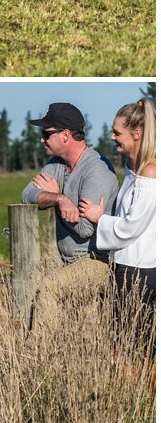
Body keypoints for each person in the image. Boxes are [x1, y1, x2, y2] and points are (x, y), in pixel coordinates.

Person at [20, 101, 119, 327]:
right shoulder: (57, 163)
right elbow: (27, 194)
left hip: (96, 262)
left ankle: (37, 358)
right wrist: (59, 199)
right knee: (86, 332)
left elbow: (85, 228)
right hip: (71, 263)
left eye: (46, 133)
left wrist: (58, 200)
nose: (42, 139)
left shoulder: (97, 170)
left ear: (65, 135)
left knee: (49, 288)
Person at [78, 97, 156, 351]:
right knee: (128, 346)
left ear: (137, 133)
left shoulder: (150, 173)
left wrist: (99, 217)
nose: (112, 137)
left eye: (117, 132)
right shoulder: (134, 168)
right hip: (127, 266)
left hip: (138, 272)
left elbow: (131, 227)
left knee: (134, 349)